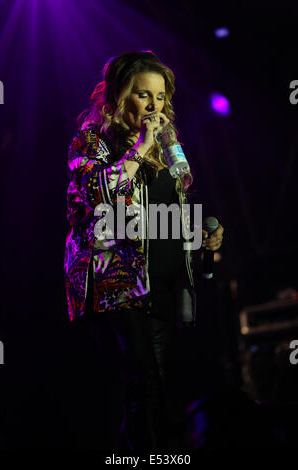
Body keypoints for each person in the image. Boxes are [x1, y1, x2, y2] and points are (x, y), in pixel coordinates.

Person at [64, 50, 224, 451]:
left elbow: (164, 218)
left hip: (159, 283)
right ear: (119, 98)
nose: (154, 106)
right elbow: (95, 194)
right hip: (112, 282)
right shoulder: (93, 140)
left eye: (159, 96)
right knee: (143, 383)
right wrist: (137, 149)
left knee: (152, 393)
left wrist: (203, 238)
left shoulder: (166, 151)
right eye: (142, 95)